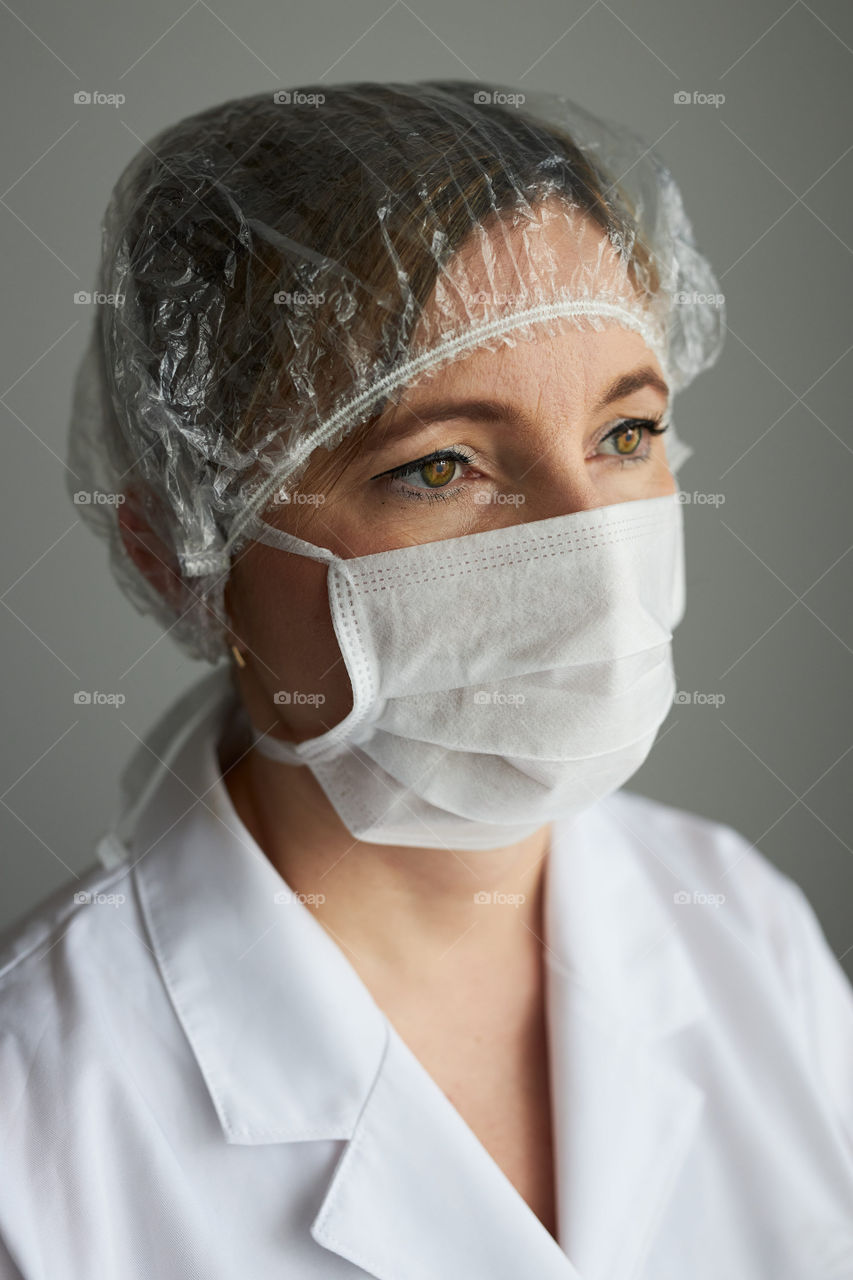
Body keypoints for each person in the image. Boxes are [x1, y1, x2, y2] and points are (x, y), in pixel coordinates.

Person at [1, 80, 851, 1279]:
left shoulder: (744, 932)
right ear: (188, 555)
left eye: (624, 434)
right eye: (441, 465)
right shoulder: (36, 1120)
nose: (586, 553)